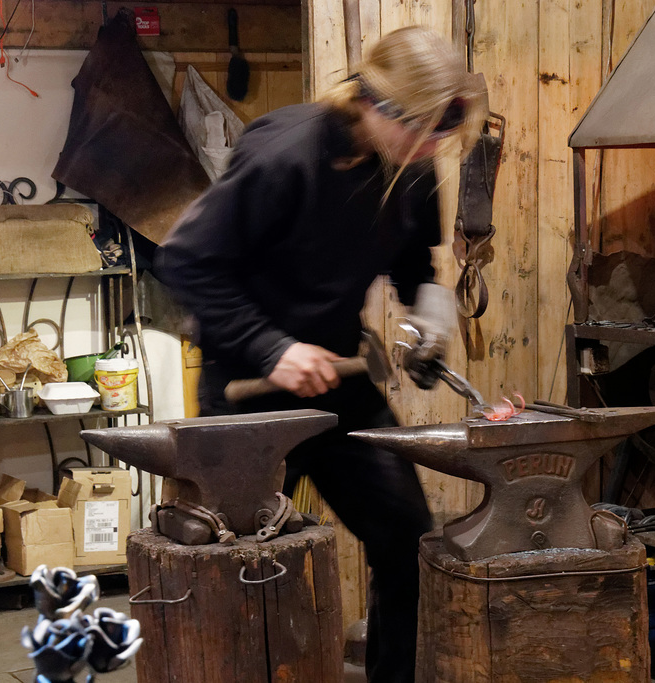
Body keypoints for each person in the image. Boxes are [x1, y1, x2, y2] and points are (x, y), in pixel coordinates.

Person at [154, 26, 485, 683]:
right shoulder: (287, 157)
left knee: (407, 539)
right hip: (248, 384)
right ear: (377, 105)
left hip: (335, 379)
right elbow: (186, 262)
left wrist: (431, 308)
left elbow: (414, 262)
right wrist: (271, 347)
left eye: (441, 137)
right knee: (244, 567)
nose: (431, 151)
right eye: (423, 131)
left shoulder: (413, 166)